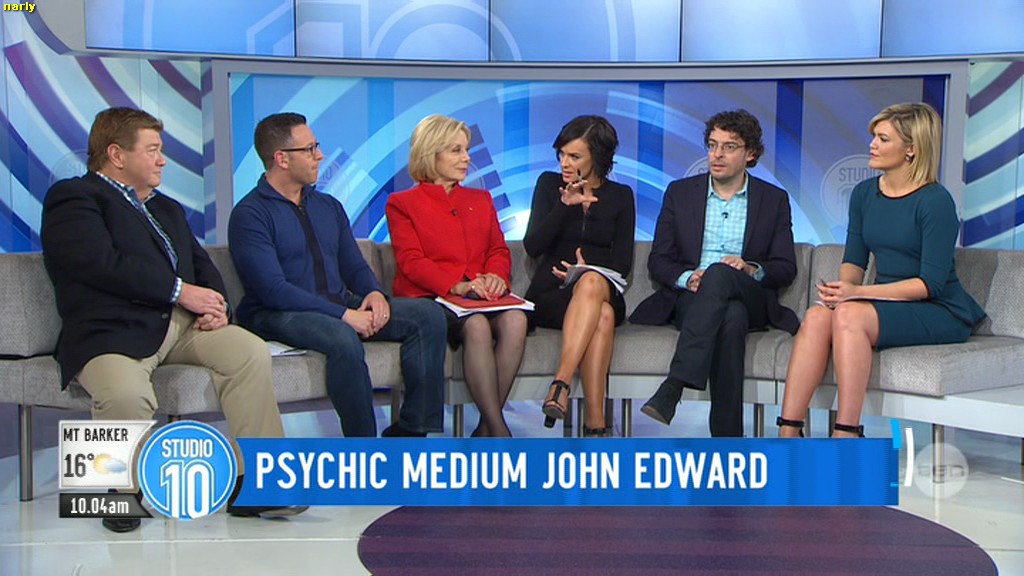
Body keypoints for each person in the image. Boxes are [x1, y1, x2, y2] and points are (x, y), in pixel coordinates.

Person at [40, 107, 306, 533]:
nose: (163, 160)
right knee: (125, 394)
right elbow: (99, 264)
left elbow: (200, 266)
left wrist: (217, 305)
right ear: (116, 154)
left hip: (180, 327)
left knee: (247, 350)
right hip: (111, 332)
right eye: (152, 150)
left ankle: (260, 483)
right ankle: (114, 496)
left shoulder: (167, 208)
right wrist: (181, 292)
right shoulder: (75, 198)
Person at [229, 112, 446, 438]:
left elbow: (353, 265)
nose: (320, 156)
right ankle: (362, 448)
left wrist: (373, 293)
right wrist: (345, 315)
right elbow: (274, 290)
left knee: (428, 314)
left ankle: (410, 433)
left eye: (316, 146)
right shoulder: (250, 214)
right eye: (310, 149)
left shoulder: (328, 206)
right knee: (342, 336)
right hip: (278, 313)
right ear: (282, 159)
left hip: (336, 303)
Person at [777, 102, 985, 438]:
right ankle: (788, 432)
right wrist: (841, 293)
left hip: (937, 308)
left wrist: (857, 295)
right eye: (874, 136)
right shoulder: (864, 194)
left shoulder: (935, 201)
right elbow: (854, 260)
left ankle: (846, 432)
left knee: (850, 315)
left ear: (911, 149)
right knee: (817, 317)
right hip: (883, 301)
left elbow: (930, 284)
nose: (872, 145)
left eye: (883, 139)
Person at [631, 109, 799, 437]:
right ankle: (728, 442)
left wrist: (750, 268)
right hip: (692, 297)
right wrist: (688, 277)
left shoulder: (773, 200)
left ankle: (675, 384)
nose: (717, 154)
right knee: (730, 318)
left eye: (729, 146)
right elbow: (659, 259)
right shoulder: (680, 193)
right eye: (712, 145)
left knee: (721, 275)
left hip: (749, 293)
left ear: (751, 153)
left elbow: (785, 266)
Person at [386, 114, 527, 437]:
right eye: (456, 150)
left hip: (482, 296)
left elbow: (498, 250)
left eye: (466, 150)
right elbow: (411, 261)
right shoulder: (402, 203)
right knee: (476, 325)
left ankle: (485, 430)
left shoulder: (481, 199)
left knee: (516, 320)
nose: (466, 158)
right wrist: (458, 285)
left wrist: (496, 277)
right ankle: (499, 431)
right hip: (434, 300)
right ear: (430, 153)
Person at [523, 115, 635, 437]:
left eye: (574, 156)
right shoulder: (549, 185)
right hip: (553, 293)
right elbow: (533, 246)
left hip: (601, 286)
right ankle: (596, 426)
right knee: (602, 316)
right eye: (561, 154)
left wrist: (584, 271)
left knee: (591, 284)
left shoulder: (621, 196)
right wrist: (564, 206)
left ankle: (560, 383)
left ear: (597, 157)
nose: (564, 163)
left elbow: (622, 263)